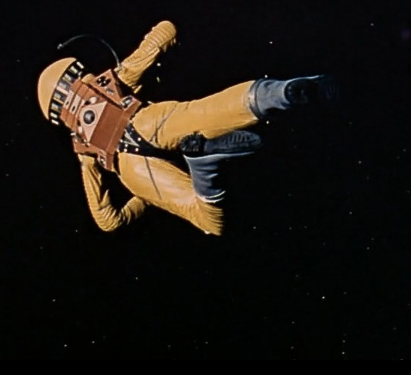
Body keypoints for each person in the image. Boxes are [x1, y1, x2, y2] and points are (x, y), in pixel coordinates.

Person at [35, 21, 335, 236]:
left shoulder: (82, 148)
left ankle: (203, 164)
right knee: (214, 110)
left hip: (132, 170)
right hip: (149, 120)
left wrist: (145, 198)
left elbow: (107, 221)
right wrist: (162, 53)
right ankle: (283, 92)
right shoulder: (111, 82)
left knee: (208, 219)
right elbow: (166, 31)